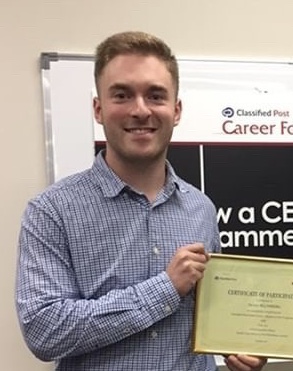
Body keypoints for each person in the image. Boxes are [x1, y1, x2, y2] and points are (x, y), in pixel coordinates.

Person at [15, 31, 267, 371]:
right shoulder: (52, 210)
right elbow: (44, 330)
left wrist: (240, 344)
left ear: (175, 111)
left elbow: (209, 316)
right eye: (122, 95)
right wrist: (165, 288)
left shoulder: (201, 209)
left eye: (155, 95)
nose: (140, 110)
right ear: (98, 108)